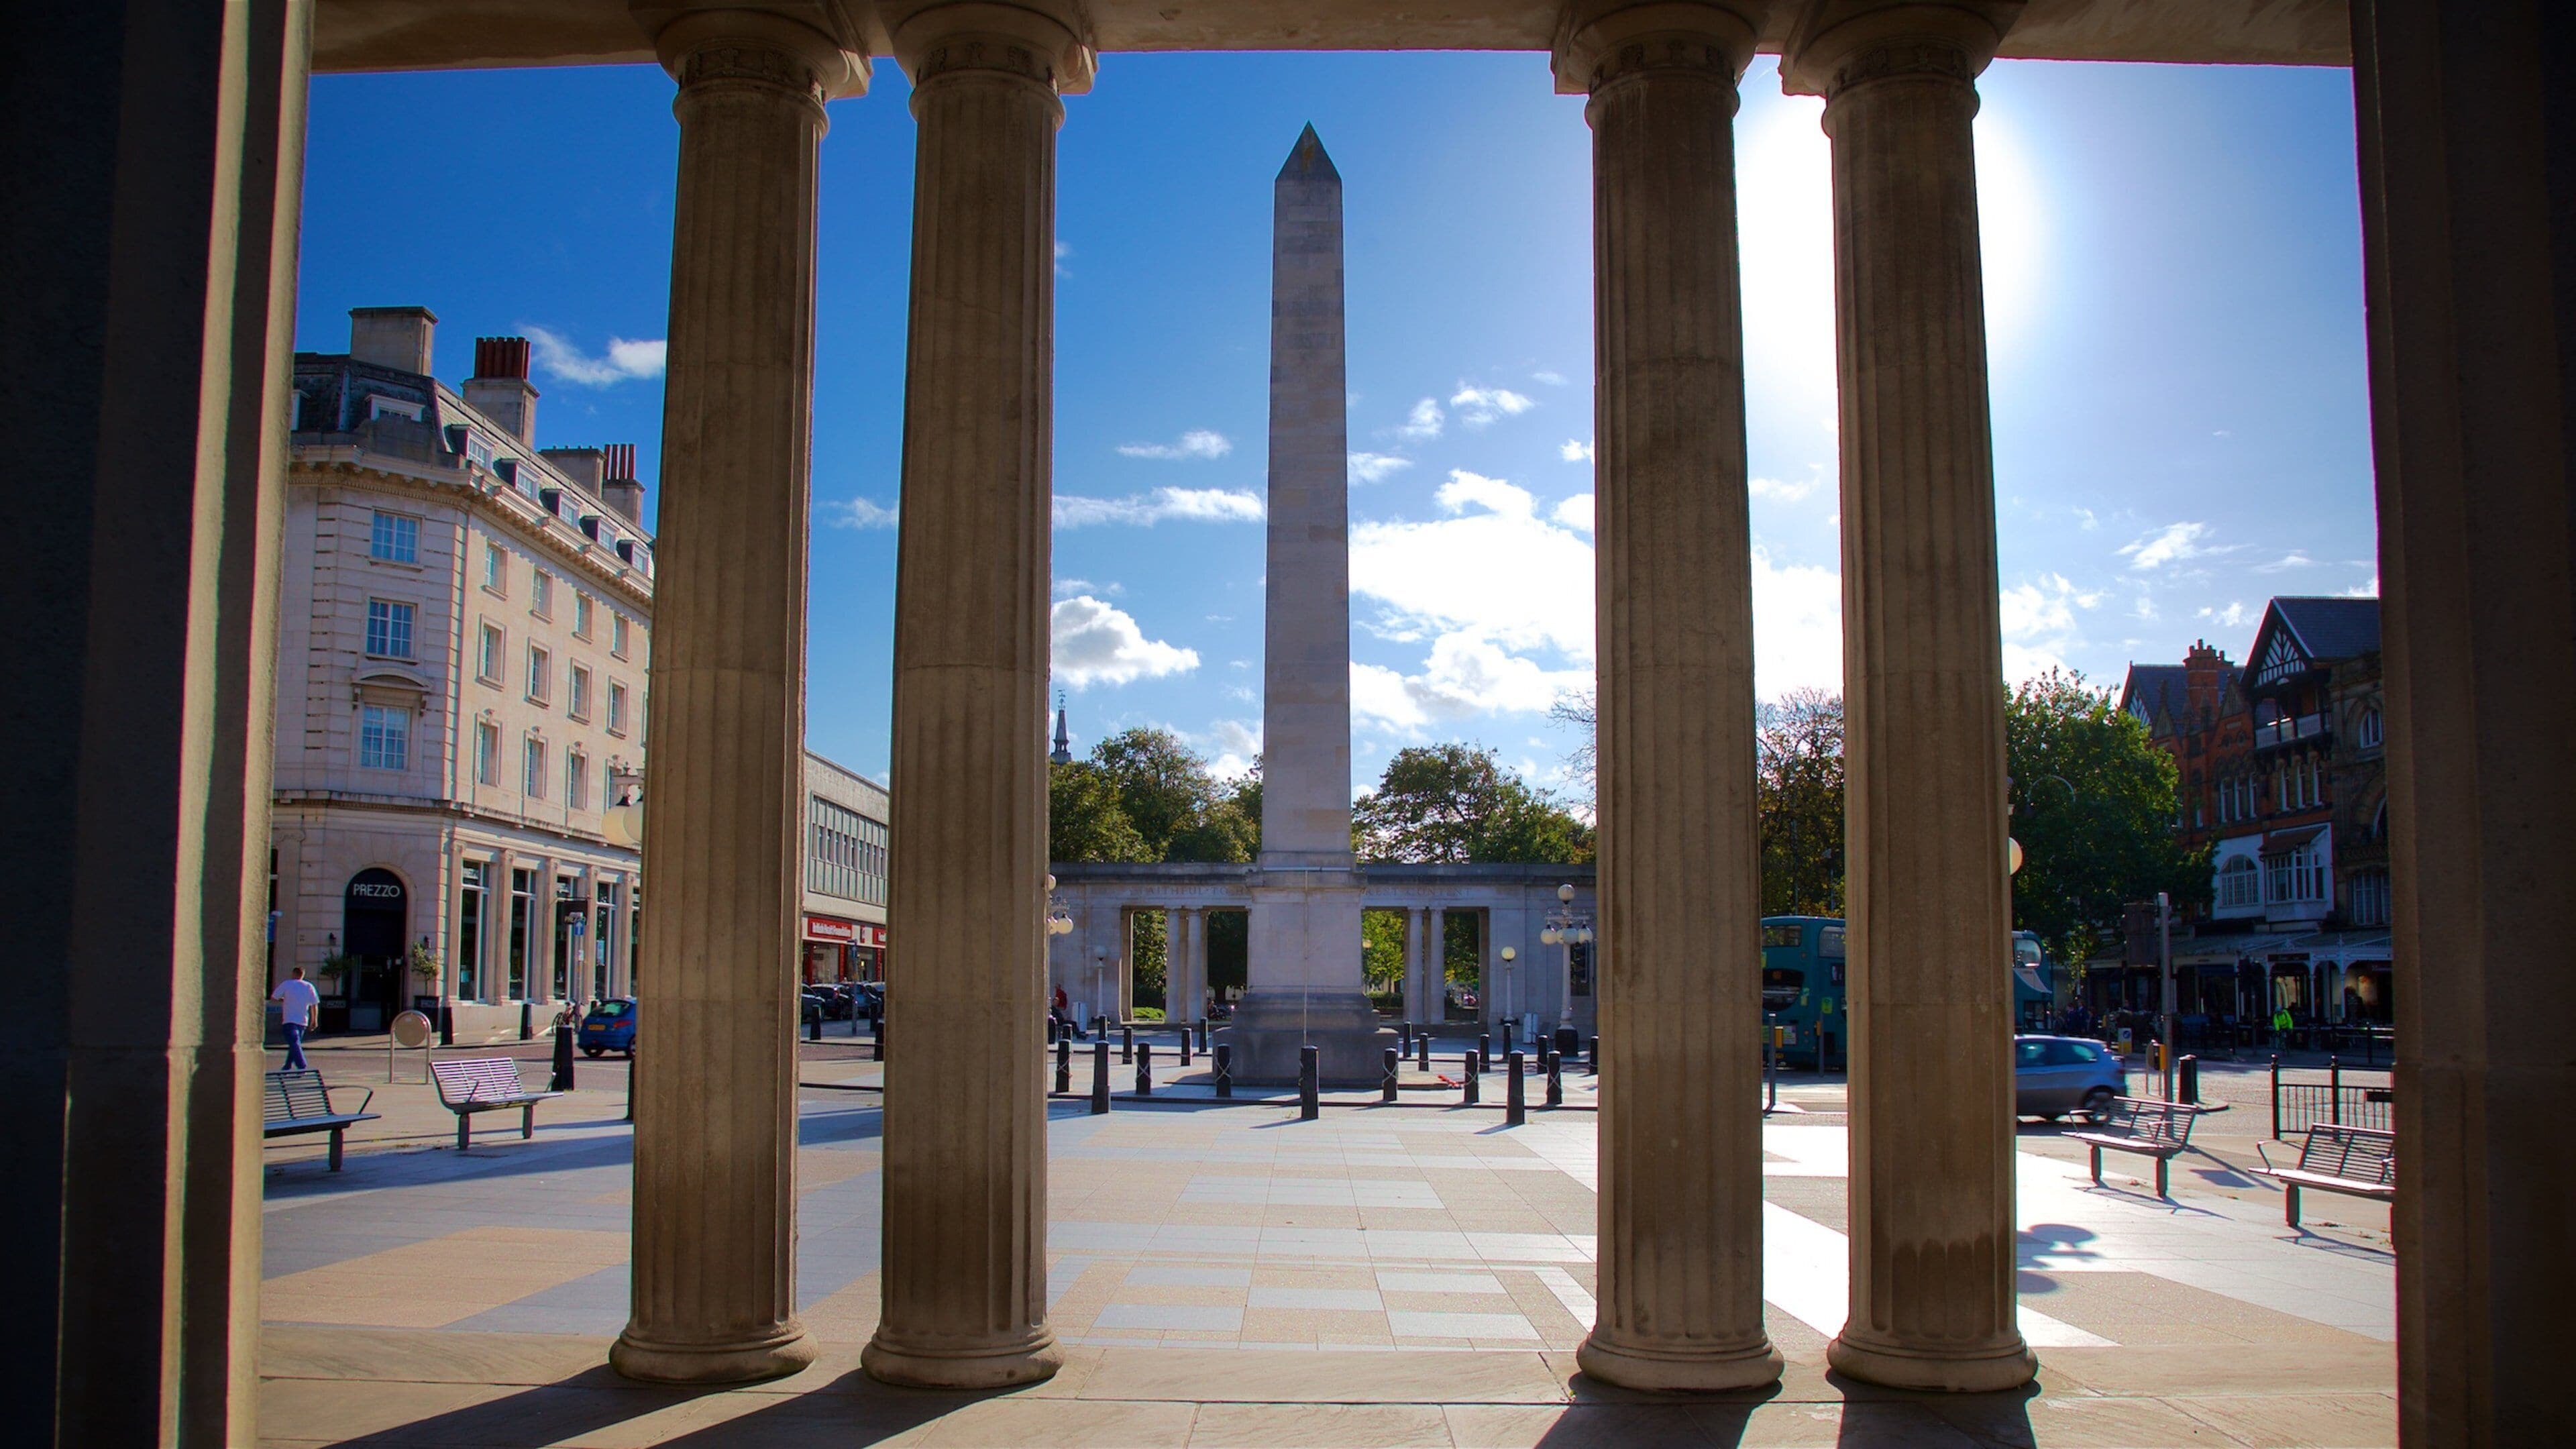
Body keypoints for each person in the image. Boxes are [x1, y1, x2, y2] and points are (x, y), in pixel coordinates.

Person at [271, 966, 320, 1071]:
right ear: (303, 975)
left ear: (293, 974)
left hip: (289, 1019)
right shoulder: (309, 986)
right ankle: (287, 1066)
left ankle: (302, 1065)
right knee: (295, 1043)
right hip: (303, 1020)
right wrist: (314, 1020)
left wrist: (284, 999)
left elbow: (274, 998)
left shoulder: (287, 984)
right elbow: (314, 1005)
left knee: (294, 1042)